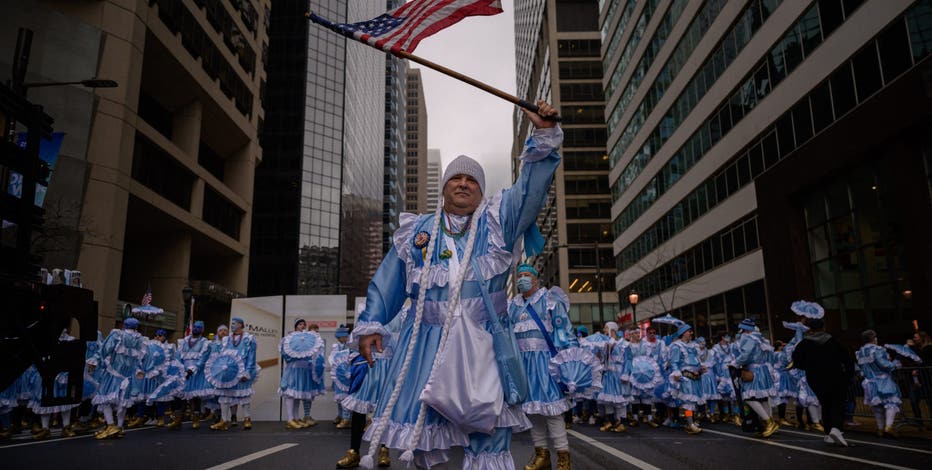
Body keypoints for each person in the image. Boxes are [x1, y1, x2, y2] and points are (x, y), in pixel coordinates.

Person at [353, 101, 561, 469]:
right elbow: (390, 279)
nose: (464, 184)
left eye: (472, 180)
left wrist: (543, 133)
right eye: (456, 178)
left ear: (481, 191)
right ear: (444, 187)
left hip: (485, 344)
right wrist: (371, 322)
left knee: (487, 434)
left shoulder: (498, 221)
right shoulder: (417, 231)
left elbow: (529, 191)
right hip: (425, 346)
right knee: (424, 438)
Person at [508, 263, 574, 469]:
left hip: (546, 362)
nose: (522, 279)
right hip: (523, 364)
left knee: (552, 411)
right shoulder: (514, 305)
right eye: (520, 276)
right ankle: (541, 455)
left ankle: (564, 458)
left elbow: (564, 332)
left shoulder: (550, 300)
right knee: (533, 411)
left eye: (527, 275)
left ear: (537, 279)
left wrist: (568, 360)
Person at [791, 318, 852, 446]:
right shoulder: (833, 341)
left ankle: (828, 432)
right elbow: (847, 358)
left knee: (825, 403)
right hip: (835, 375)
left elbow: (796, 361)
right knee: (837, 402)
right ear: (823, 327)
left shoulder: (804, 344)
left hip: (815, 377)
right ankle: (836, 428)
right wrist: (848, 375)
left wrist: (809, 366)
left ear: (810, 329)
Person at [92, 318, 145, 439]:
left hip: (113, 374)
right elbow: (139, 360)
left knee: (105, 400)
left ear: (124, 325)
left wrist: (95, 360)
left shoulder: (117, 334)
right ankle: (120, 427)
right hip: (128, 376)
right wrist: (138, 371)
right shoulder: (140, 340)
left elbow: (105, 349)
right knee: (123, 403)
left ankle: (111, 426)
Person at [210, 317, 258, 431]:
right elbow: (222, 356)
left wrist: (247, 372)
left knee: (244, 395)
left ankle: (247, 419)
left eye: (234, 323)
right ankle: (224, 420)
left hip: (242, 371)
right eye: (231, 323)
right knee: (224, 395)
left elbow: (251, 358)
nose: (231, 325)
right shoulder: (226, 339)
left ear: (241, 325)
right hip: (229, 372)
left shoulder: (249, 339)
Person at [733, 319, 778, 438]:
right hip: (764, 371)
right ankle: (766, 425)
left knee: (749, 397)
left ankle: (769, 422)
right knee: (762, 398)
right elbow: (770, 356)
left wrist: (735, 363)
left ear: (745, 329)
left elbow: (745, 355)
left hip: (753, 371)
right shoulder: (762, 339)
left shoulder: (748, 338)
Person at [856, 329, 902, 438]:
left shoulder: (860, 352)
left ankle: (880, 428)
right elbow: (884, 364)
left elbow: (860, 368)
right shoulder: (877, 349)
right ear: (873, 338)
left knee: (877, 407)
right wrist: (895, 364)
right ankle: (888, 427)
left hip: (869, 382)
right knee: (891, 403)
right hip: (883, 380)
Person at [279, 319, 323, 430]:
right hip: (293, 369)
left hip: (303, 370)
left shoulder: (309, 340)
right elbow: (286, 355)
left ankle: (296, 418)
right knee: (290, 393)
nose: (302, 326)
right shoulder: (289, 339)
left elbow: (313, 355)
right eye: (300, 324)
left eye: (304, 324)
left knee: (297, 394)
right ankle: (290, 419)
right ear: (295, 326)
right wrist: (295, 356)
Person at [668, 324, 703, 434]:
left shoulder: (693, 346)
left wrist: (700, 368)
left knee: (694, 400)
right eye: (689, 331)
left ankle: (691, 422)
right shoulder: (676, 346)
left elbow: (697, 360)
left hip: (695, 376)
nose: (691, 333)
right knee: (688, 400)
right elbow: (674, 362)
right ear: (683, 333)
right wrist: (676, 373)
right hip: (685, 375)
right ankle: (690, 423)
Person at [177, 320, 211, 429]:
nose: (196, 329)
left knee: (195, 396)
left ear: (202, 330)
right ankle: (178, 419)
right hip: (183, 371)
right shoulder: (184, 341)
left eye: (199, 327)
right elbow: (179, 356)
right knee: (181, 395)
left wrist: (192, 370)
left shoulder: (205, 342)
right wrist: (181, 369)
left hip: (196, 373)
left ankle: (196, 419)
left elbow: (203, 359)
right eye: (195, 327)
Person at [330, 325, 353, 429]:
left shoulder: (351, 346)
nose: (346, 338)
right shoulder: (336, 347)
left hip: (348, 376)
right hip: (340, 376)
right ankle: (341, 416)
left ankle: (348, 418)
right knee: (340, 398)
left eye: (346, 336)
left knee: (348, 398)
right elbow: (332, 360)